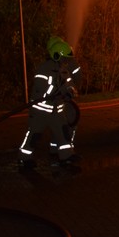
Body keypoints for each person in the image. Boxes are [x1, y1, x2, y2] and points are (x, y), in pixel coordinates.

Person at [18, 36, 84, 169]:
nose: (66, 61)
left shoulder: (62, 69)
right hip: (41, 111)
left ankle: (66, 155)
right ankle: (24, 158)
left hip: (56, 110)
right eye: (64, 58)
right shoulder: (44, 69)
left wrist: (70, 91)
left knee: (63, 133)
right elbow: (40, 89)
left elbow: (69, 83)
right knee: (34, 135)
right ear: (56, 56)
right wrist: (53, 93)